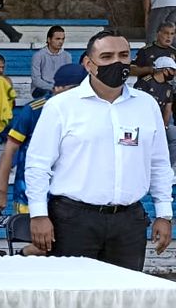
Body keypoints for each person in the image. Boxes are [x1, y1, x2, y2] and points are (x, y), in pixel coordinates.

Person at [25, 31, 173, 270]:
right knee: (73, 291)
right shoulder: (61, 106)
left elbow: (159, 163)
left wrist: (164, 213)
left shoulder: (147, 105)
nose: (117, 62)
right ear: (88, 64)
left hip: (129, 222)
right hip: (73, 220)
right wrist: (39, 214)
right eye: (106, 56)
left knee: (125, 291)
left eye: (123, 55)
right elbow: (38, 165)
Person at [0, 63, 87, 220]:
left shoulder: (88, 111)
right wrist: (1, 191)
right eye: (75, 89)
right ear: (57, 88)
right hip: (30, 198)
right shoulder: (34, 110)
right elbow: (10, 150)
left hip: (72, 199)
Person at [31, 26, 71, 99]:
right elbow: (36, 80)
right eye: (57, 39)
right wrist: (53, 88)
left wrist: (61, 88)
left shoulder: (67, 56)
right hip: (41, 89)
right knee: (49, 94)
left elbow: (68, 78)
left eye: (63, 39)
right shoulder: (38, 55)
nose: (61, 42)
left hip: (60, 88)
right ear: (49, 39)